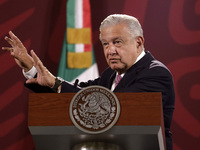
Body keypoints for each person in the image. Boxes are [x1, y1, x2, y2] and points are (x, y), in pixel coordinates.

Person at [2, 14, 175, 150]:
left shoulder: (156, 73)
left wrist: (56, 83)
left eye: (117, 42)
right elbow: (76, 95)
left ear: (138, 43)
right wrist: (33, 70)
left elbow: (111, 109)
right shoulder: (111, 75)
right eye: (105, 44)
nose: (110, 50)